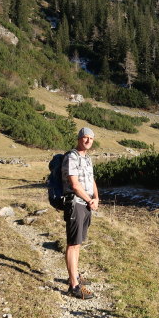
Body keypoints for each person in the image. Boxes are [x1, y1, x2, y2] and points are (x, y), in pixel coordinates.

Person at [61, 127, 99, 299]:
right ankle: (74, 286)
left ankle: (75, 276)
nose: (88, 141)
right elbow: (74, 185)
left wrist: (96, 197)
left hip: (87, 204)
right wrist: (89, 200)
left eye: (91, 138)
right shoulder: (71, 156)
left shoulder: (88, 158)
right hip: (75, 203)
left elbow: (91, 180)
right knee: (72, 243)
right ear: (79, 138)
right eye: (85, 138)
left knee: (78, 243)